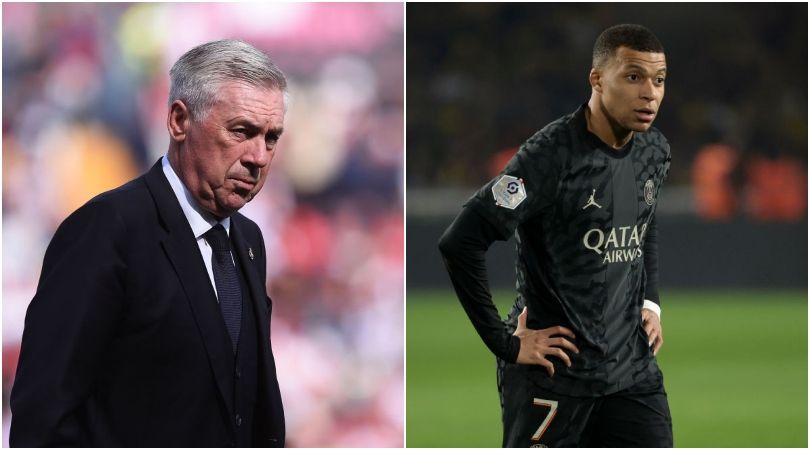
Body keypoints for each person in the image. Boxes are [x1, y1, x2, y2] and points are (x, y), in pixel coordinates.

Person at [10, 39, 287, 447]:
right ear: (179, 121)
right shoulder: (107, 229)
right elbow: (43, 415)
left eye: (271, 137)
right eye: (241, 131)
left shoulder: (248, 241)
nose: (259, 156)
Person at [438, 24, 673, 447]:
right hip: (555, 376)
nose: (650, 93)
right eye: (633, 77)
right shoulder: (549, 157)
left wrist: (649, 301)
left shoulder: (654, 149)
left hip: (632, 372)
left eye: (658, 80)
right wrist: (505, 343)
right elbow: (461, 241)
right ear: (597, 80)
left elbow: (645, 220)